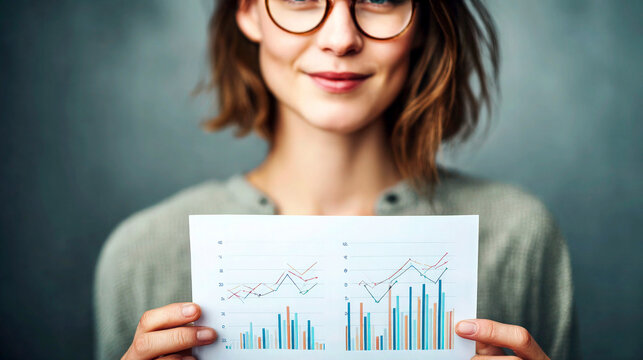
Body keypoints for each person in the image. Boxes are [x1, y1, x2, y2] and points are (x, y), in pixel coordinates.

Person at [94, 1, 579, 359]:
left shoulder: (520, 237)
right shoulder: (143, 255)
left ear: (425, 21)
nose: (341, 38)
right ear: (248, 12)